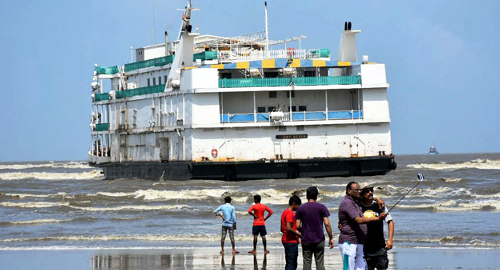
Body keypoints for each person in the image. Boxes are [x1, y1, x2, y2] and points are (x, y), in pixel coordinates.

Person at [338, 182, 386, 270]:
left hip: (358, 242)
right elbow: (358, 220)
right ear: (349, 191)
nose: (359, 192)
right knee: (349, 268)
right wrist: (377, 218)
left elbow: (367, 197)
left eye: (360, 190)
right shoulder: (347, 203)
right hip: (349, 242)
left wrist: (377, 199)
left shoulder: (355, 202)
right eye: (357, 190)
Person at [295, 186, 334, 270]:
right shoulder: (322, 207)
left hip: (306, 239)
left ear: (306, 196)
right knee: (320, 263)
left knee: (307, 262)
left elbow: (297, 226)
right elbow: (327, 224)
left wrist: (303, 233)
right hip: (319, 239)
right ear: (317, 196)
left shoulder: (300, 208)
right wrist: (331, 238)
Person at [360, 185, 394, 270]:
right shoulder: (358, 206)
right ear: (362, 194)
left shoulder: (380, 206)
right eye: (367, 191)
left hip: (380, 246)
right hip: (364, 247)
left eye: (371, 190)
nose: (370, 192)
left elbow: (390, 222)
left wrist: (390, 239)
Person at [281, 195, 302, 270]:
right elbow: (288, 228)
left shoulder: (284, 212)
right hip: (290, 241)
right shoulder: (290, 213)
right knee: (292, 263)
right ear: (294, 204)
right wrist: (299, 234)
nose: (298, 208)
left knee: (289, 262)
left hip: (285, 239)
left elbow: (282, 229)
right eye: (298, 205)